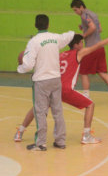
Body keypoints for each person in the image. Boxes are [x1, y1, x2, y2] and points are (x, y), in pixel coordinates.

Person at [15, 24, 108, 145]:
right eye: (81, 43)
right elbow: (98, 45)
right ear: (76, 45)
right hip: (65, 90)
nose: (82, 45)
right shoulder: (78, 53)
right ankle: (86, 136)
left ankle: (20, 131)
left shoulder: (60, 55)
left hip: (53, 86)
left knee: (37, 108)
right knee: (90, 105)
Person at [17, 14, 75, 151]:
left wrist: (20, 68)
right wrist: (77, 31)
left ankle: (40, 143)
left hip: (41, 81)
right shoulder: (55, 38)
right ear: (48, 25)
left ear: (35, 25)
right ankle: (61, 141)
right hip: (55, 79)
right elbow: (69, 35)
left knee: (40, 112)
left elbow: (28, 65)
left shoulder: (34, 42)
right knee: (58, 111)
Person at [70, 0, 108, 107]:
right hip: (100, 47)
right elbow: (99, 29)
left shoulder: (84, 15)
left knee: (83, 72)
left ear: (81, 7)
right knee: (102, 72)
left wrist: (83, 35)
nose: (75, 13)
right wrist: (84, 28)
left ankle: (86, 96)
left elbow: (92, 28)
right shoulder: (93, 14)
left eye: (75, 10)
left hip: (91, 48)